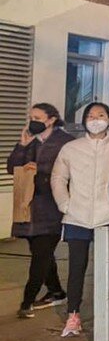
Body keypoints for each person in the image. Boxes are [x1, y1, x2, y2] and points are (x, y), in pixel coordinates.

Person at [49, 103, 109, 337]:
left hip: (107, 216)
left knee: (107, 269)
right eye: (91, 116)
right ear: (83, 121)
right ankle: (73, 315)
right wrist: (66, 204)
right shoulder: (71, 148)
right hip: (77, 217)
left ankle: (107, 314)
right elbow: (58, 178)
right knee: (76, 269)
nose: (95, 120)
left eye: (101, 115)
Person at [8, 103, 75, 319]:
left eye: (38, 117)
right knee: (42, 254)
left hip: (52, 207)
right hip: (27, 208)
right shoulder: (30, 140)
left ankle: (27, 301)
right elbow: (12, 168)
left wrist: (42, 173)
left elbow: (70, 172)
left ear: (51, 119)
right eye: (31, 116)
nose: (33, 121)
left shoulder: (65, 142)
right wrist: (21, 146)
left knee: (41, 255)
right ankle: (56, 291)